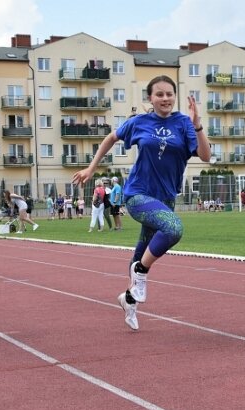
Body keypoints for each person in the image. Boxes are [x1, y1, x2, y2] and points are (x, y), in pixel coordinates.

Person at [73, 74, 211, 330]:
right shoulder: (139, 122)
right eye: (159, 94)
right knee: (173, 228)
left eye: (169, 94)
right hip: (137, 194)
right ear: (151, 98)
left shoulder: (183, 123)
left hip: (165, 198)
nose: (165, 99)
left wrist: (198, 125)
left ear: (174, 97)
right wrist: (92, 169)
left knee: (141, 252)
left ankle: (128, 299)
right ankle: (141, 273)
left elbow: (205, 156)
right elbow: (110, 138)